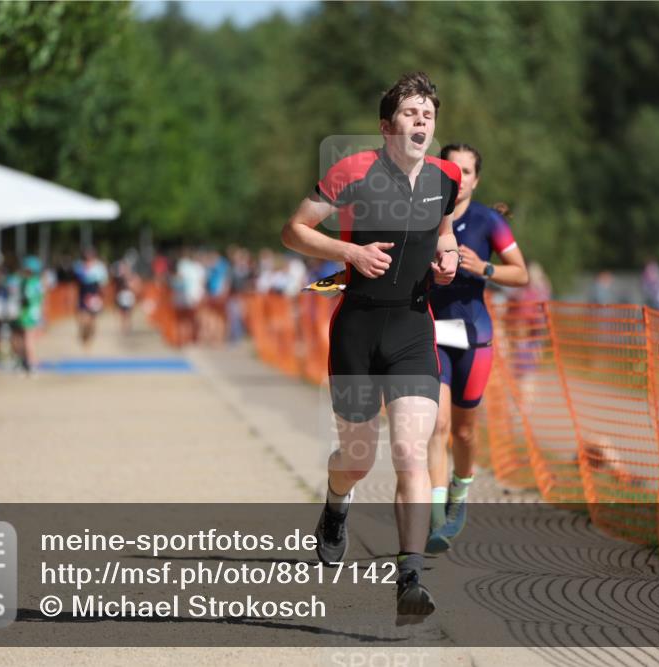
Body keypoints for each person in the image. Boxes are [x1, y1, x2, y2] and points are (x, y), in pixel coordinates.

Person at [281, 72, 460, 624]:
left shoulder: (445, 178)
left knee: (410, 451)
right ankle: (336, 504)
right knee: (356, 460)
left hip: (412, 329)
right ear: (386, 127)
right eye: (410, 113)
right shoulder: (352, 172)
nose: (421, 121)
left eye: (427, 113)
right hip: (357, 331)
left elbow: (446, 226)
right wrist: (348, 253)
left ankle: (409, 579)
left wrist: (448, 254)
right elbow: (294, 230)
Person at [424, 144, 528, 554]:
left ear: (476, 179)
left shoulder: (488, 220)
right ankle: (433, 519)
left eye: (467, 171)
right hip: (431, 329)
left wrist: (482, 267)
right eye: (452, 170)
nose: (459, 178)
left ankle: (459, 492)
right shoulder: (423, 214)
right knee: (436, 425)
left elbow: (519, 273)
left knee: (464, 430)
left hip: (473, 334)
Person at [11, 256, 45, 374]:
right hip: (33, 313)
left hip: (27, 313)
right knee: (26, 338)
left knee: (26, 339)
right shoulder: (37, 282)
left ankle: (29, 362)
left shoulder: (26, 282)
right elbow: (41, 300)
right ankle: (28, 361)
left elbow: (25, 299)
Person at [73, 247, 109, 348]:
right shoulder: (79, 266)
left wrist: (103, 297)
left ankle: (89, 336)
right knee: (82, 318)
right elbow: (76, 282)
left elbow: (103, 284)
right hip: (82, 294)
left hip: (94, 295)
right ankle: (84, 334)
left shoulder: (99, 267)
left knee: (92, 320)